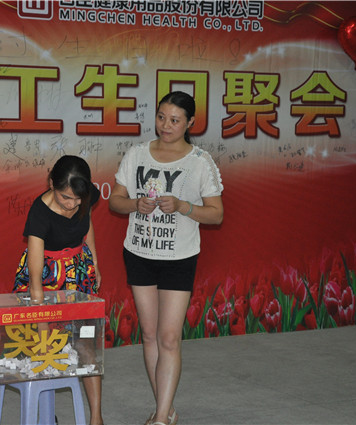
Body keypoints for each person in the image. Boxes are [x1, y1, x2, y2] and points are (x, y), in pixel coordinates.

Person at [109, 91, 224, 425]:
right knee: (149, 335)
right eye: (161, 117)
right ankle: (166, 408)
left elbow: (216, 214)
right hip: (139, 252)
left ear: (190, 123)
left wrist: (183, 206)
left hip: (179, 256)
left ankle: (160, 418)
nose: (166, 125)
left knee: (169, 337)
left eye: (175, 120)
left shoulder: (200, 161)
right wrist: (135, 204)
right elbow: (115, 201)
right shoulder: (137, 154)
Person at [13, 155, 104, 425]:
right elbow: (36, 276)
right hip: (48, 275)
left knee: (86, 343)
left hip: (80, 270)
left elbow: (88, 224)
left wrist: (94, 264)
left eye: (78, 199)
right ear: (51, 183)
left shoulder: (83, 193)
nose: (72, 204)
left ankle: (96, 417)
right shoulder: (40, 213)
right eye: (66, 197)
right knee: (42, 347)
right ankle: (45, 415)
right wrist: (40, 318)